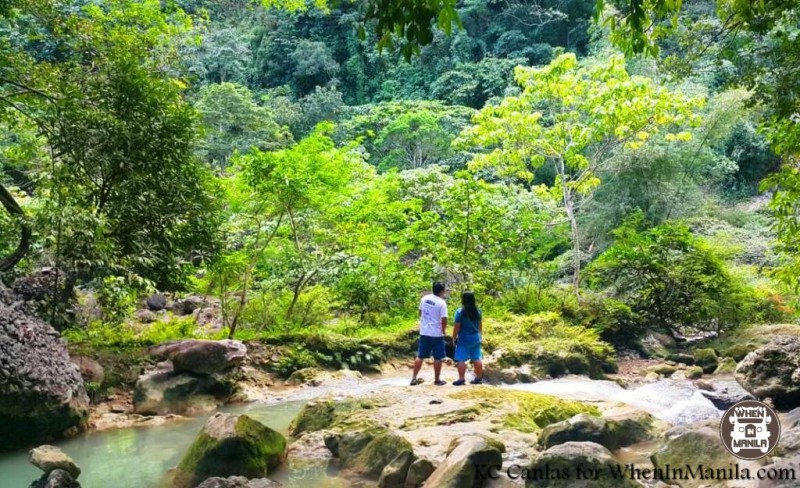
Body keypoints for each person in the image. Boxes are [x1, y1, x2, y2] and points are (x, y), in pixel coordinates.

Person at [411, 282, 448, 386]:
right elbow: (444, 319)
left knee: (420, 355)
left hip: (424, 332)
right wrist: (443, 330)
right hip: (436, 333)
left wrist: (423, 322)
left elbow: (420, 312)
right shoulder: (441, 303)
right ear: (442, 291)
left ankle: (414, 378)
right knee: (438, 357)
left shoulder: (425, 298)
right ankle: (437, 380)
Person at [452, 291, 483, 385]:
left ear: (463, 300)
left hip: (464, 338)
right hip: (476, 337)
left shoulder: (460, 312)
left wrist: (453, 337)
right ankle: (478, 378)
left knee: (461, 359)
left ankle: (461, 379)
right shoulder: (478, 311)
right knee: (477, 358)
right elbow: (480, 326)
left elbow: (457, 326)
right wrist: (480, 335)